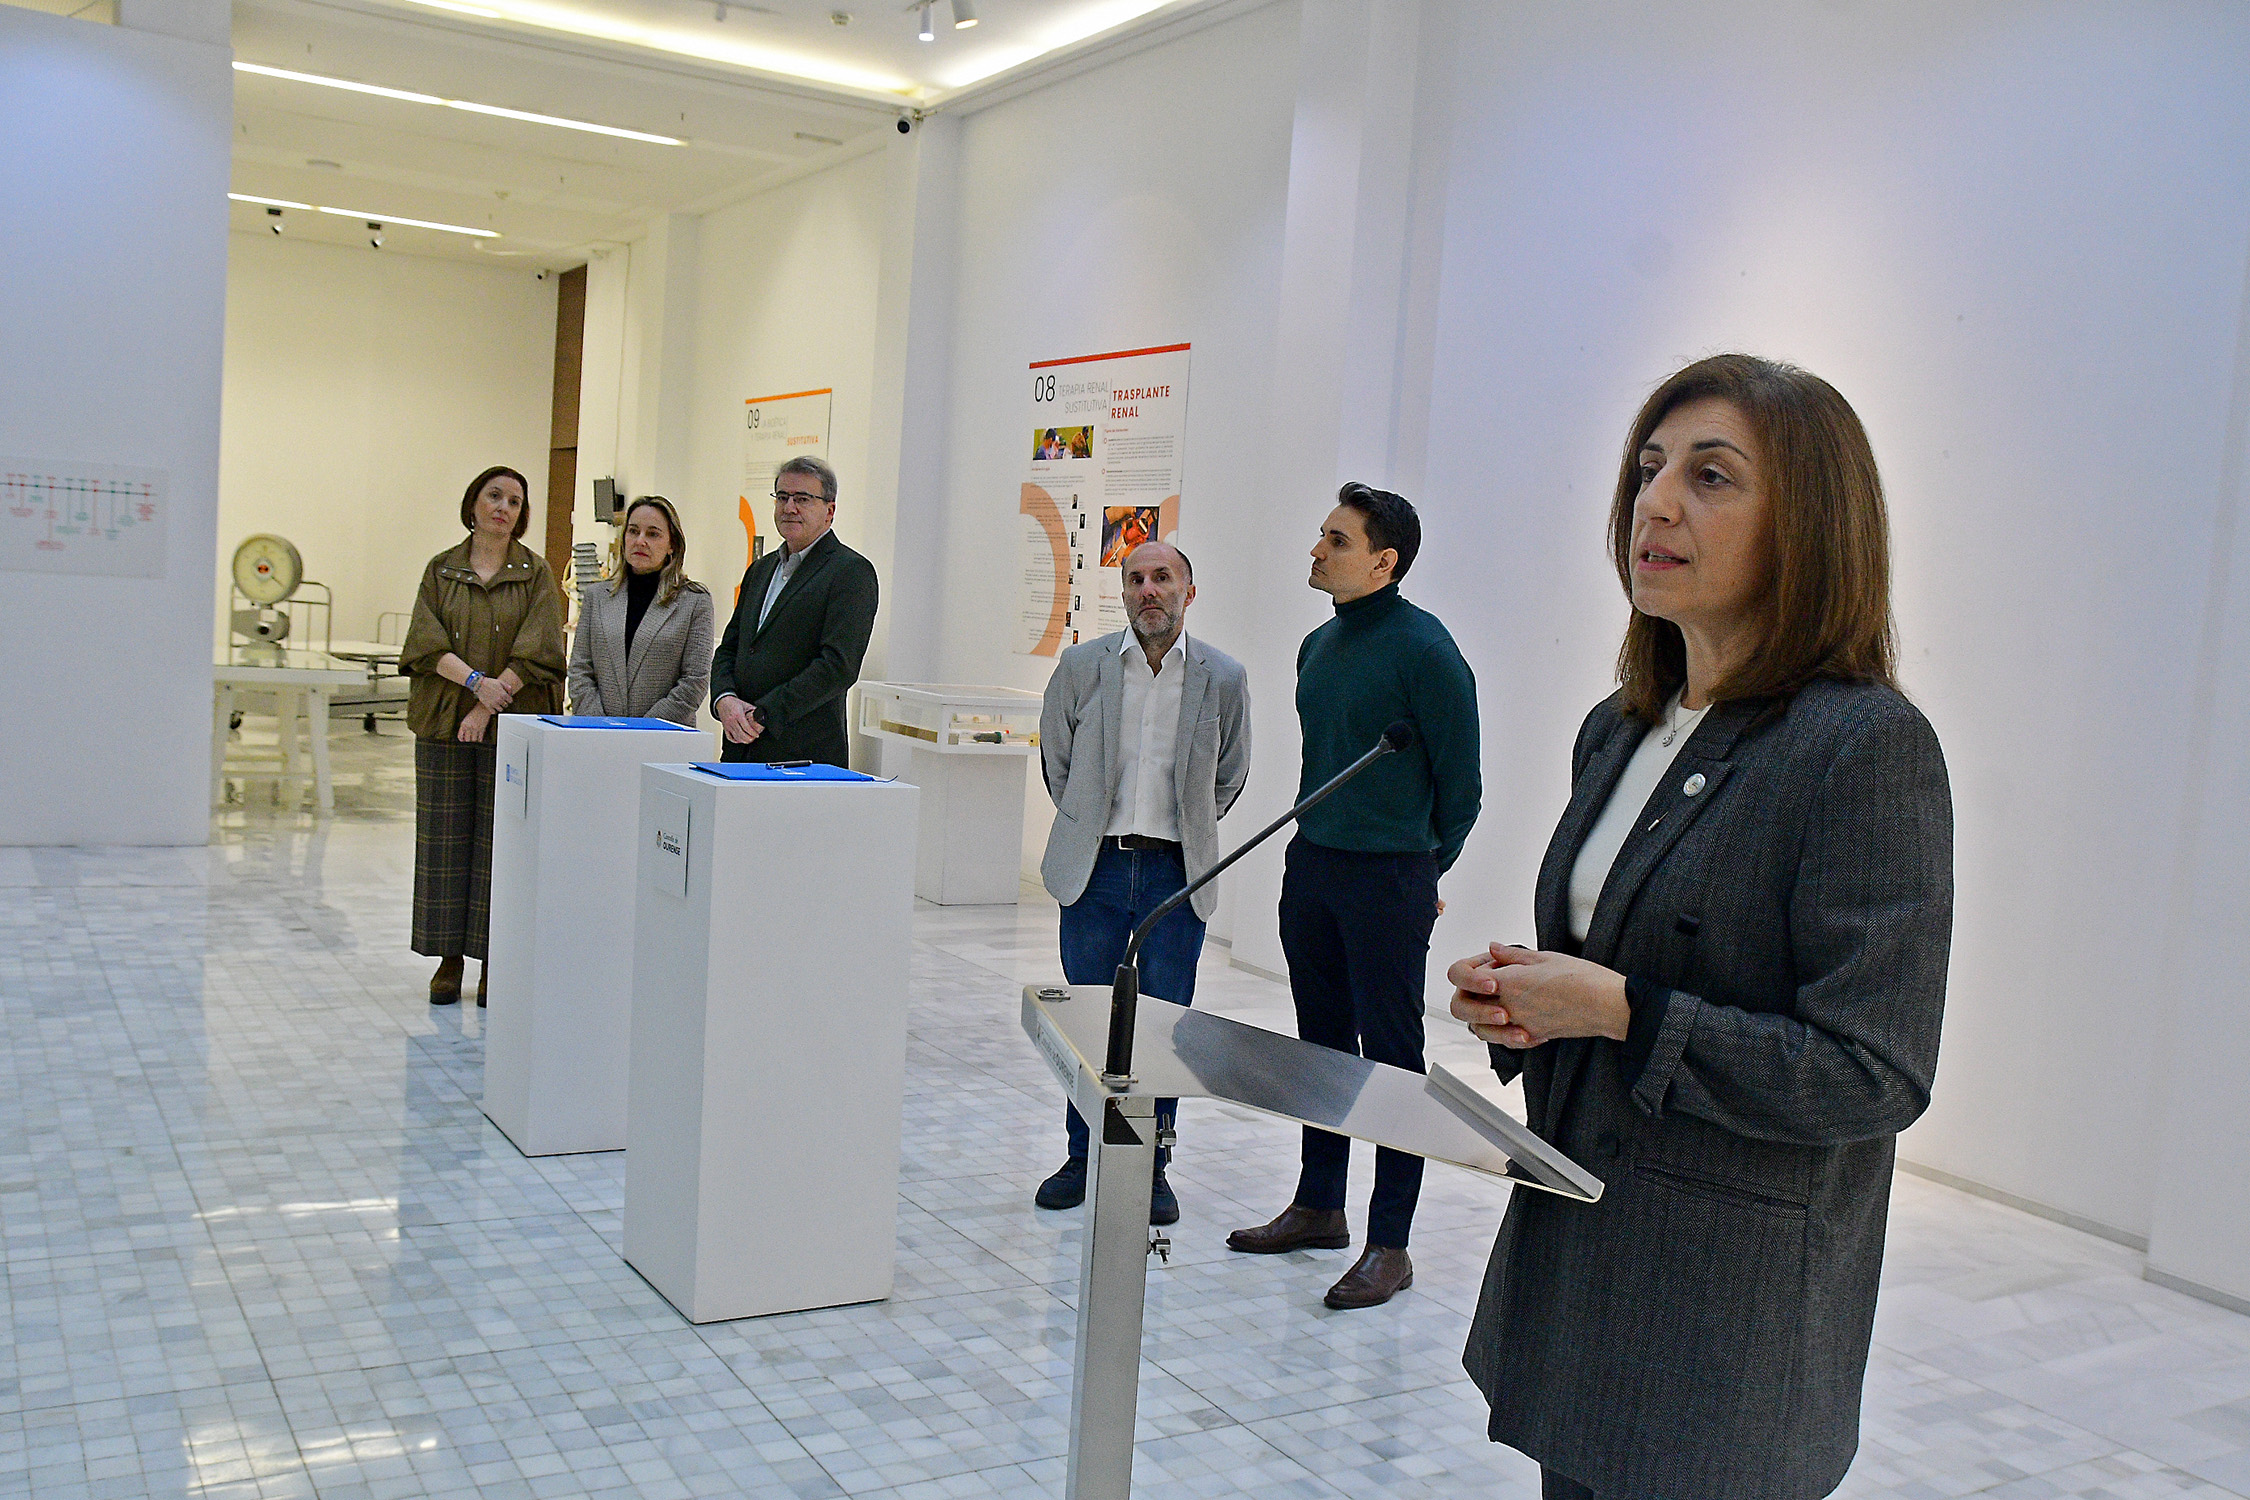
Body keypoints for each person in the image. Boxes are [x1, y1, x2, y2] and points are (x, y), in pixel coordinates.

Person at [1447, 354, 1952, 1500]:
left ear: (1810, 524)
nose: (1657, 503)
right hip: (1582, 1270)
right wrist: (1532, 1001)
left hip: (1721, 1323)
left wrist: (1621, 1010)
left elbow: (1873, 1073)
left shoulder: (1863, 748)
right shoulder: (1619, 728)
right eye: (1648, 469)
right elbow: (1622, 962)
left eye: (1711, 476)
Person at [1227, 483, 1481, 1309]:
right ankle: (1319, 1205)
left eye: (1336, 540)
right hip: (1314, 866)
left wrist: (1424, 873)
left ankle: (1390, 1244)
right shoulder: (1318, 645)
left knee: (1392, 1061)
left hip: (1389, 878)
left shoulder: (1428, 652)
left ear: (1383, 562)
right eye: (1321, 535)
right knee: (1321, 1046)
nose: (1316, 550)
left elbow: (1463, 788)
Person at [1031, 541, 1251, 1225]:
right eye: (1136, 579)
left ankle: (1152, 1167)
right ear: (1123, 592)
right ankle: (1083, 1157)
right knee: (1090, 1019)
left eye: (1162, 577)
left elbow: (1230, 774)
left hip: (1175, 875)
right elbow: (1057, 761)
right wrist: (1087, 824)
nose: (1148, 589)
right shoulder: (1082, 666)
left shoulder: (1223, 677)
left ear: (1189, 590)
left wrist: (1185, 830)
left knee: (1163, 1028)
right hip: (1095, 868)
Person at [400, 465, 567, 1006]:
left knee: (502, 845)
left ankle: (495, 959)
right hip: (444, 722)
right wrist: (476, 686)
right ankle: (449, 960)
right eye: (494, 496)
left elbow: (541, 650)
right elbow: (425, 644)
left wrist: (489, 704)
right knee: (444, 842)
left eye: (515, 501)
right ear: (473, 504)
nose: (503, 507)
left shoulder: (536, 573)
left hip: (513, 725)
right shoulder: (441, 570)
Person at [709, 456, 878, 767]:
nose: (789, 508)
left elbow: (837, 666)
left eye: (802, 499)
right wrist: (724, 699)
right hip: (740, 750)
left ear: (829, 511)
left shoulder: (850, 572)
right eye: (782, 497)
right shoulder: (760, 570)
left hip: (802, 758)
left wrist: (764, 715)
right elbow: (731, 647)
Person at [567, 495, 714, 725]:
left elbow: (694, 681)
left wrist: (642, 731)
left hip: (663, 736)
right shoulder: (597, 596)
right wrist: (602, 726)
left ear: (672, 545)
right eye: (633, 531)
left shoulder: (694, 601)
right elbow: (579, 671)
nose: (640, 541)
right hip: (599, 734)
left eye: (653, 534)